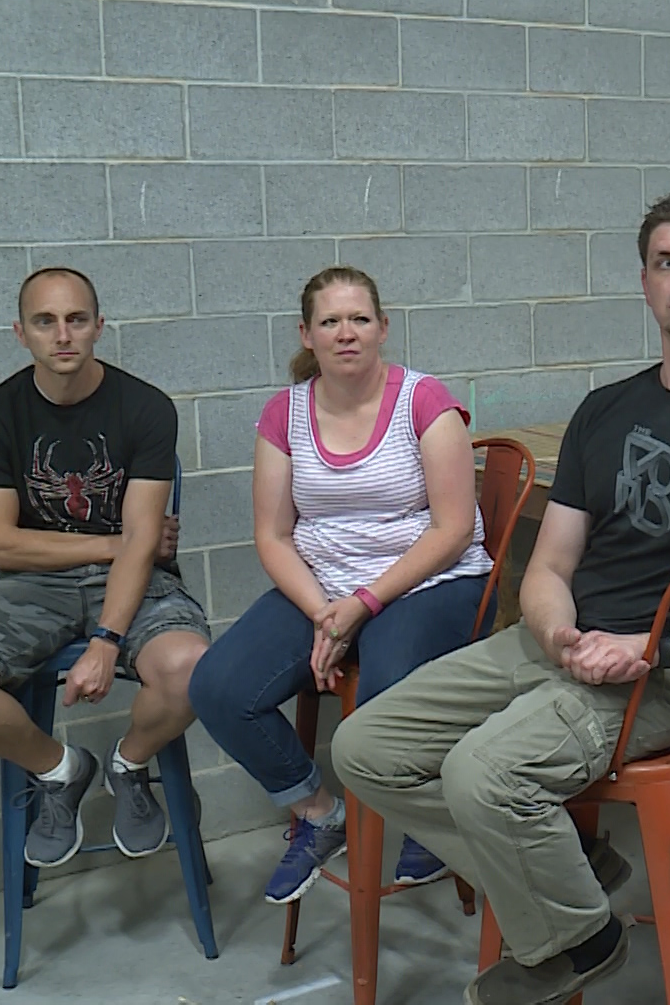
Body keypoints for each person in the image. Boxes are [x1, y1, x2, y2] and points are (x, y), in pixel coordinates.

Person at [331, 192, 670, 1005]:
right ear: (644, 284)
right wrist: (554, 621)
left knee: (480, 773)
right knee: (363, 747)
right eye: (665, 263)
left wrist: (655, 649)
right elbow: (550, 561)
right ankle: (576, 890)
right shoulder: (606, 410)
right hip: (560, 646)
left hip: (666, 675)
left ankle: (574, 941)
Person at [187, 266, 496, 904]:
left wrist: (362, 604)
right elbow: (272, 536)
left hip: (428, 580)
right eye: (330, 321)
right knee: (218, 687)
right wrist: (326, 613)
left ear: (383, 327)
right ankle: (319, 813)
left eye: (359, 319)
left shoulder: (424, 400)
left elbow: (453, 529)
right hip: (323, 588)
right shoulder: (286, 413)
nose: (346, 333)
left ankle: (425, 820)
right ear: (307, 334)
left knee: (384, 701)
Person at [0, 267, 207, 869]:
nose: (63, 334)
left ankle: (130, 761)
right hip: (33, 586)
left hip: (133, 585)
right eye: (45, 321)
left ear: (99, 326)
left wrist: (107, 640)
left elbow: (143, 543)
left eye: (76, 319)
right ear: (21, 333)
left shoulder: (145, 407)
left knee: (192, 668)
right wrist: (120, 542)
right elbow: (0, 547)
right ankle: (61, 769)